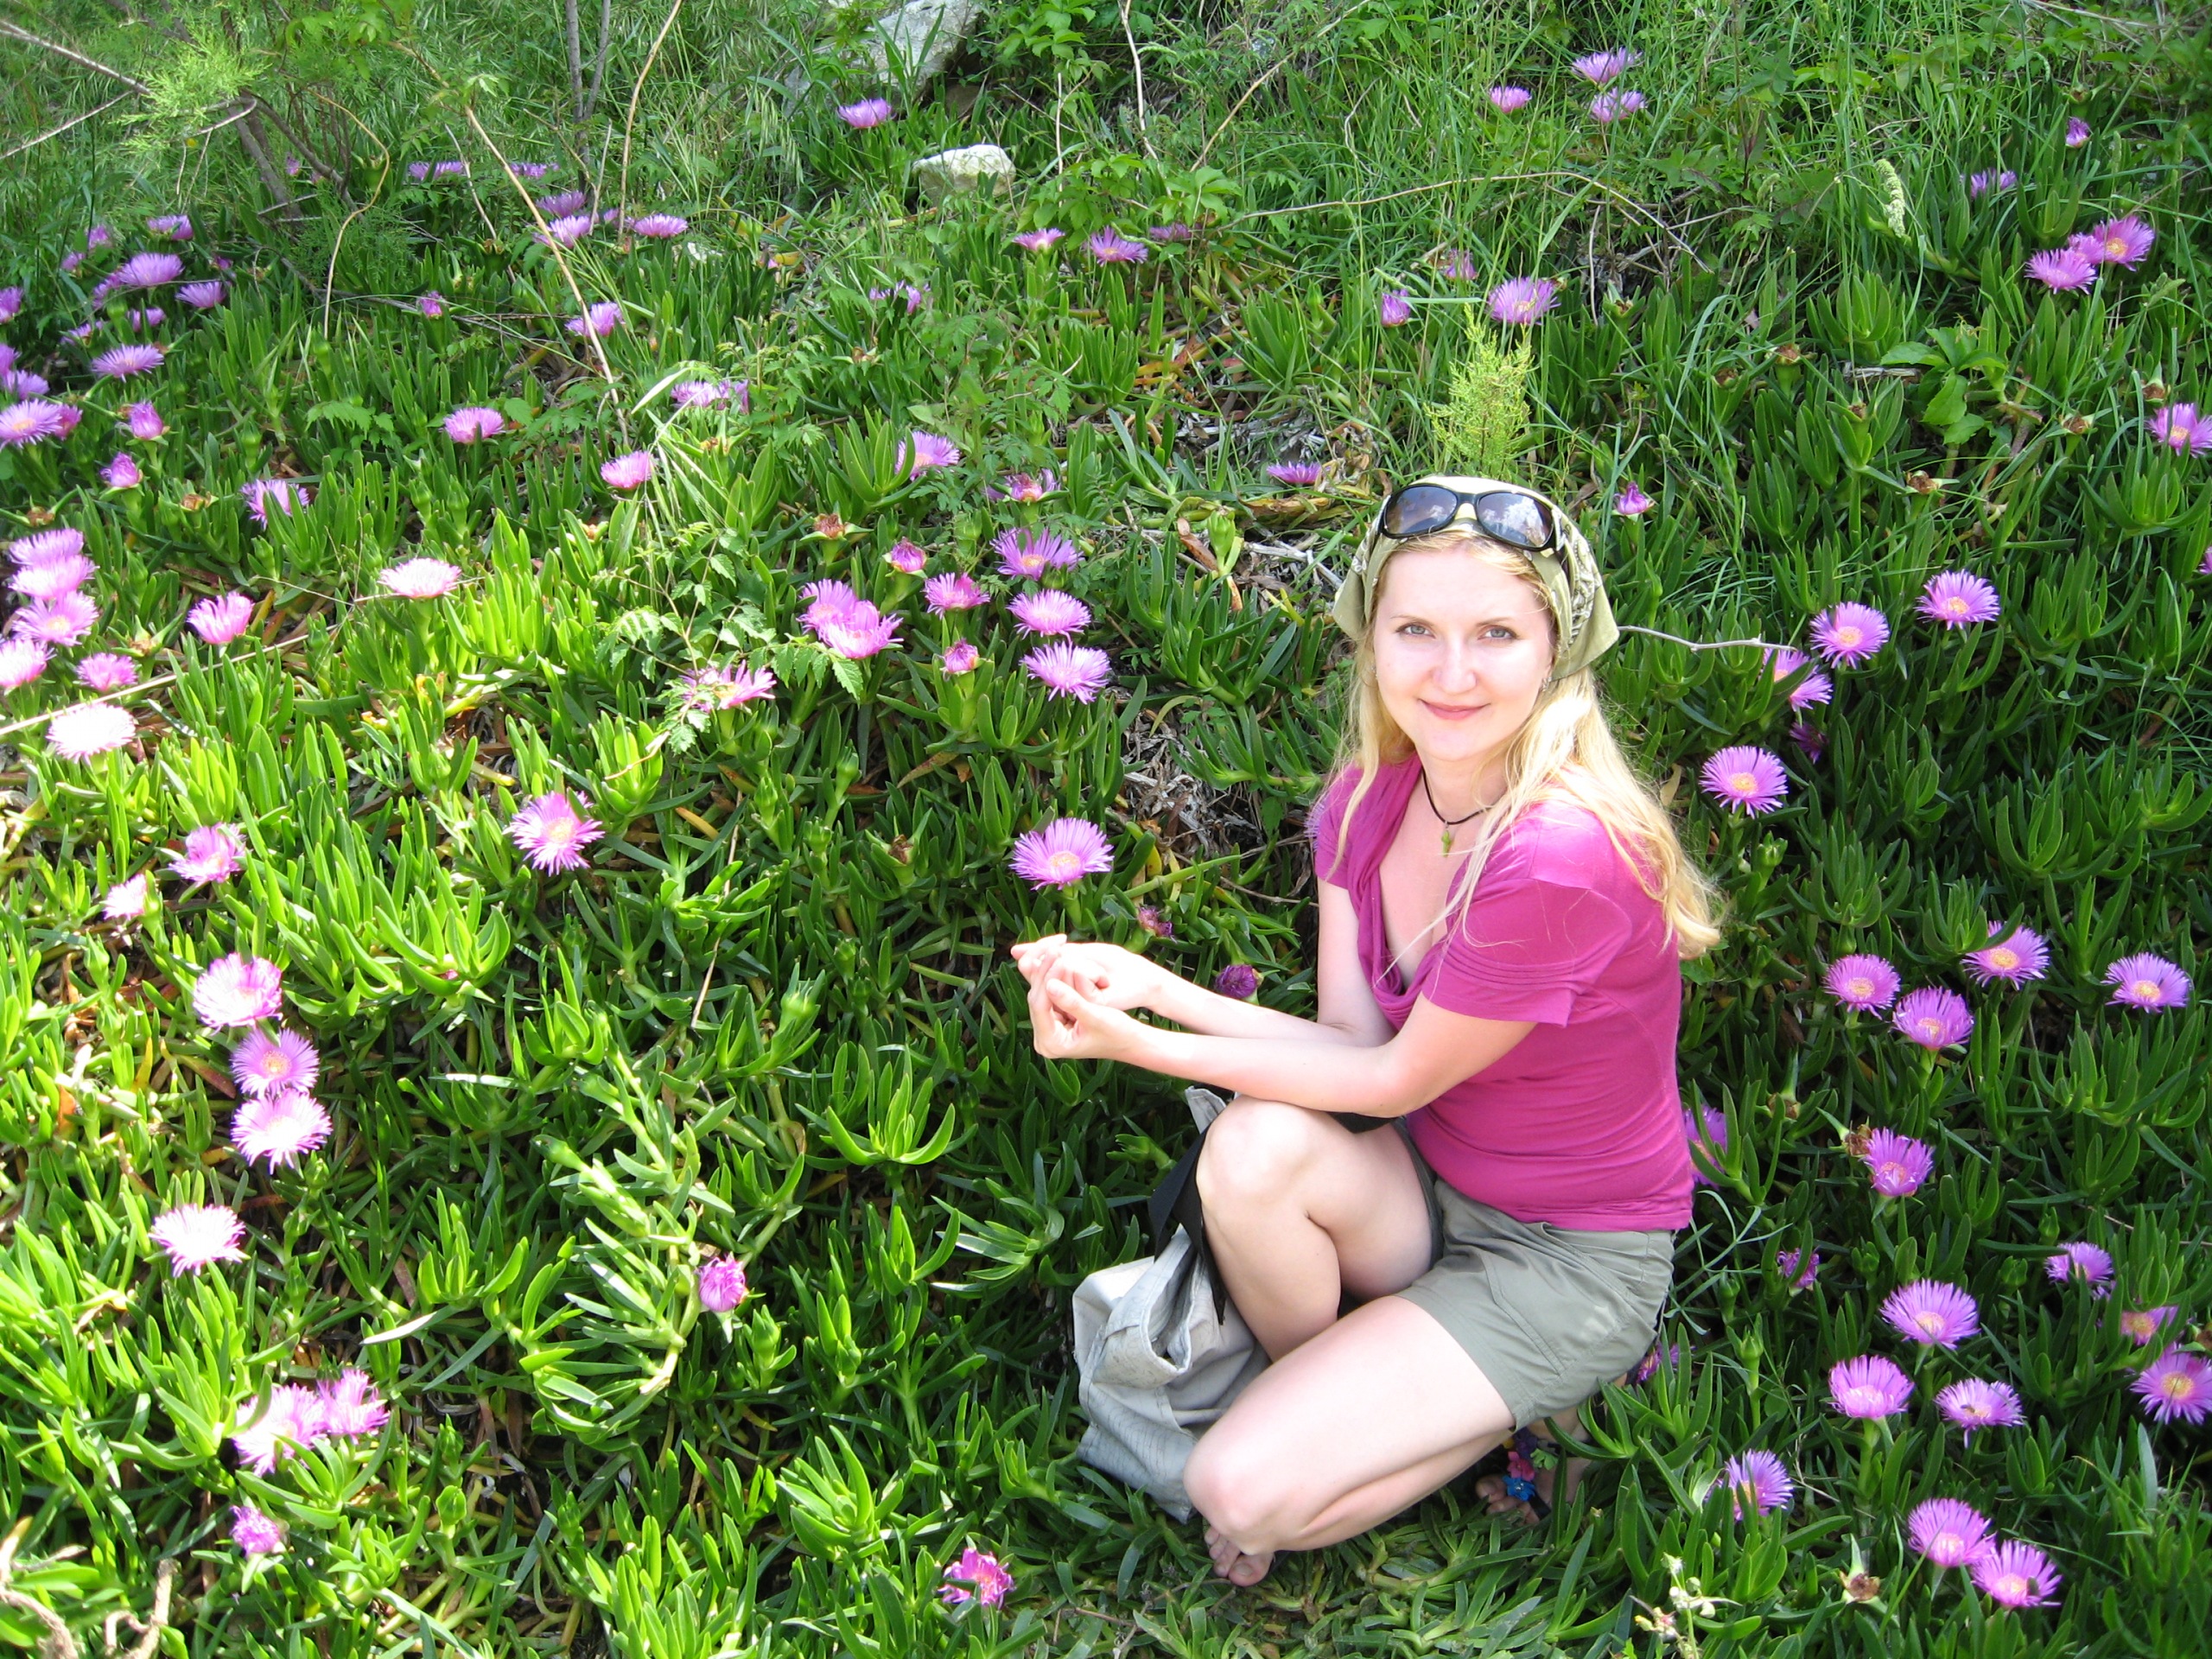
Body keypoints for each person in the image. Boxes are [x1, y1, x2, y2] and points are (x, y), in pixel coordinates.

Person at [1009, 475, 1722, 1586]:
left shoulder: (1558, 853)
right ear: (1371, 641)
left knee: (1235, 1492)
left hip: (1565, 1256)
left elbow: (1390, 1081)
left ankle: (1503, 1406)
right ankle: (1362, 1407)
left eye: (1495, 634)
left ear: (1558, 650)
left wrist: (1134, 1042)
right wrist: (1150, 989)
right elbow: (1349, 1044)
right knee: (1251, 1147)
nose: (1450, 672)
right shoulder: (1365, 803)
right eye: (1415, 630)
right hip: (1425, 1186)